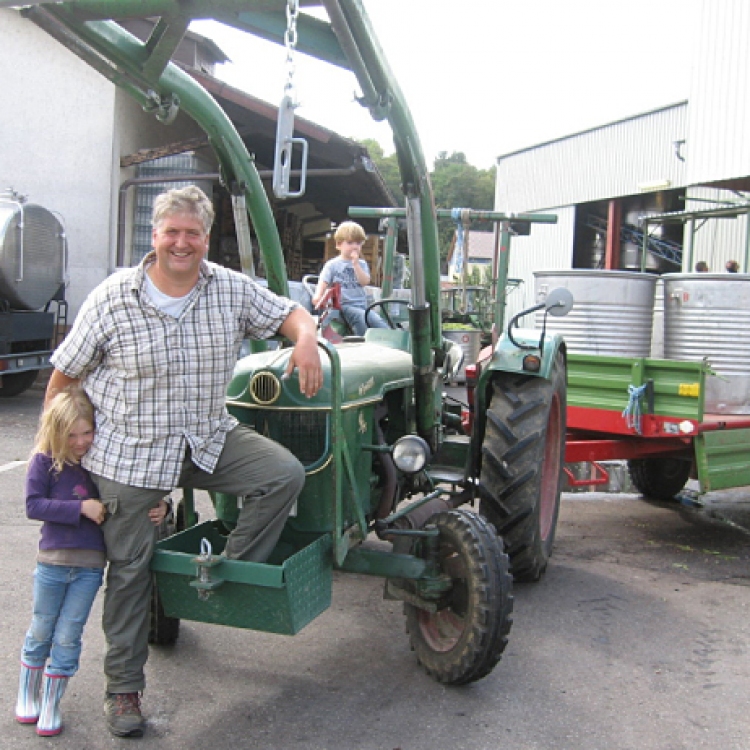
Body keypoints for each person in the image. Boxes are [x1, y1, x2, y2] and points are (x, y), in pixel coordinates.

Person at [44, 185, 322, 738]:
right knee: (128, 574)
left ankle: (222, 577)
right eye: (171, 231)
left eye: (192, 233)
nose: (182, 243)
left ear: (204, 238)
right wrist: (51, 457)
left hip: (205, 438)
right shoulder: (113, 298)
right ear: (154, 236)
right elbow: (64, 378)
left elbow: (289, 311)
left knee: (282, 473)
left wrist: (307, 336)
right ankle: (123, 690)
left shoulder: (227, 288)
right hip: (132, 453)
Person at [15, 386, 166, 736]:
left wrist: (161, 507)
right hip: (52, 564)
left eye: (87, 433)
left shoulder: (101, 466)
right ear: (56, 431)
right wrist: (80, 507)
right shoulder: (44, 461)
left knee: (68, 636)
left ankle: (52, 704)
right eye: (72, 435)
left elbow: (129, 497)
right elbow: (32, 505)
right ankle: (27, 695)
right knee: (41, 629)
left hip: (89, 569)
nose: (81, 442)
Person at [311, 221, 388, 336]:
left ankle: (387, 342)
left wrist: (355, 264)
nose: (355, 246)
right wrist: (318, 295)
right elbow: (323, 281)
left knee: (379, 322)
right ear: (338, 245)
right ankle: (361, 343)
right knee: (360, 319)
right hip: (343, 305)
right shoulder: (332, 265)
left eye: (358, 243)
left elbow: (364, 282)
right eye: (350, 243)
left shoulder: (361, 264)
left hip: (361, 305)